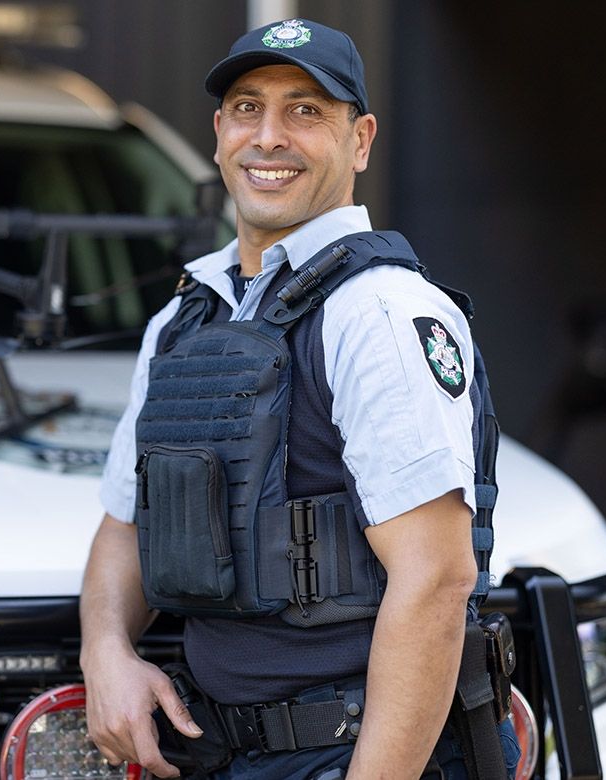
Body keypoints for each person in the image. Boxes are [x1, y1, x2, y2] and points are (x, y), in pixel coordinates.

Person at [79, 18, 519, 780]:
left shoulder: (376, 311)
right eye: (248, 107)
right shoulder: (187, 317)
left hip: (357, 754)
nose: (269, 136)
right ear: (219, 132)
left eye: (306, 110)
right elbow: (124, 528)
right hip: (221, 751)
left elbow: (437, 579)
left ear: (360, 140)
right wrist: (106, 652)